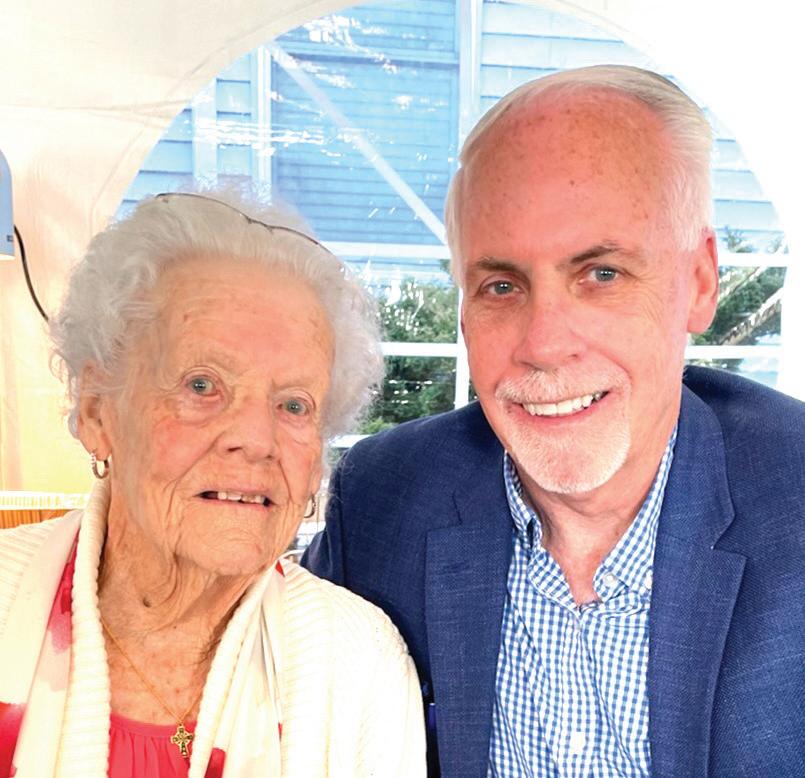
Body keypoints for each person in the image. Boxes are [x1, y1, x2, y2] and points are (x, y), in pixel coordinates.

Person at [304, 64, 805, 777]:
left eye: (601, 274)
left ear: (698, 282)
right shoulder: (384, 499)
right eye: (501, 285)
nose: (542, 344)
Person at [0, 191, 426, 777]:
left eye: (294, 405)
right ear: (98, 411)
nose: (256, 439)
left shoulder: (362, 663)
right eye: (202, 386)